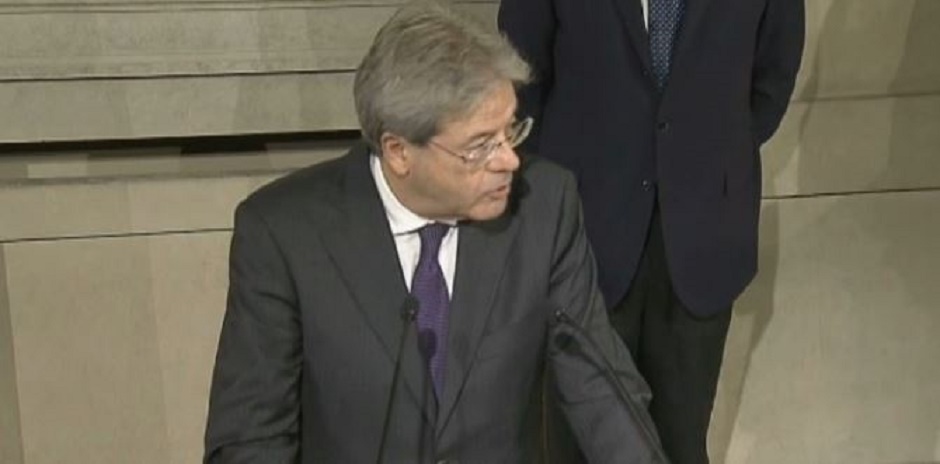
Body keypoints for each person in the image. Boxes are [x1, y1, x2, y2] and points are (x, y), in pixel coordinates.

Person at [203, 3, 667, 463]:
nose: (508, 160)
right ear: (398, 152)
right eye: (480, 146)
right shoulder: (285, 234)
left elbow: (601, 390)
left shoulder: (543, 206)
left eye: (510, 132)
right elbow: (251, 438)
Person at [498, 0, 805, 462]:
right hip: (585, 225)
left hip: (703, 227)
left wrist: (702, 158)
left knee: (680, 440)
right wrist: (560, 180)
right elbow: (520, 73)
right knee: (577, 440)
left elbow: (772, 77)